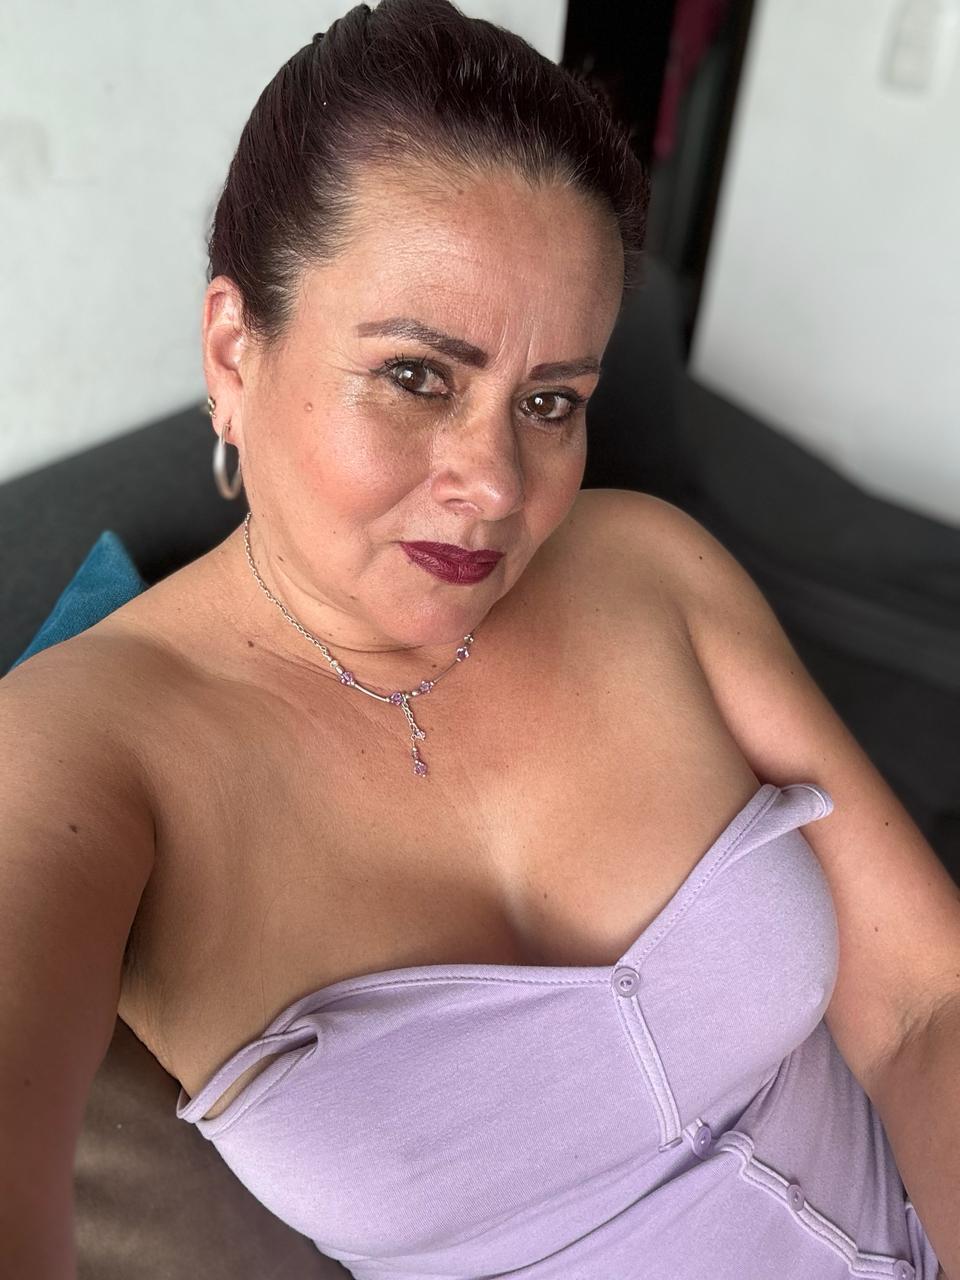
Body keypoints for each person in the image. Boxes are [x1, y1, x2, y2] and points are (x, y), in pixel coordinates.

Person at [0, 2, 955, 1277]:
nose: (498, 485)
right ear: (233, 350)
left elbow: (923, 1005)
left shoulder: (644, 566)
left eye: (551, 401)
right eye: (418, 376)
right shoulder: (82, 750)